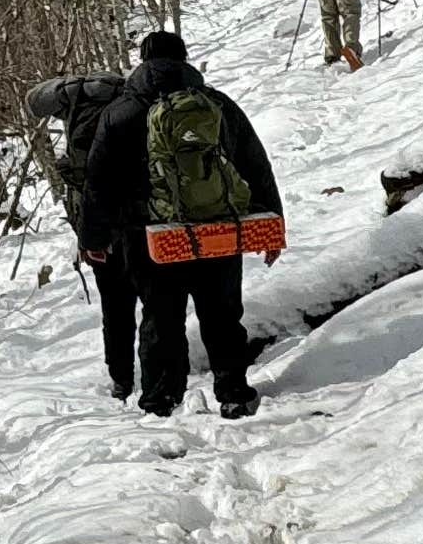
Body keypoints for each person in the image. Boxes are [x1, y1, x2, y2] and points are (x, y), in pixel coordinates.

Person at [82, 28, 284, 418]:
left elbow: (99, 180)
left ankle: (161, 401)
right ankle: (234, 393)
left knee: (161, 317)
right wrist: (273, 224)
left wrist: (96, 236)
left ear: (141, 62)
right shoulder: (217, 105)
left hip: (150, 237)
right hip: (217, 230)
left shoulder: (120, 112)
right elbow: (256, 165)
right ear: (185, 59)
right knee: (223, 314)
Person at [24, 67, 139, 397]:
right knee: (155, 302)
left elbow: (32, 102)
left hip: (94, 225)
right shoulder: (132, 100)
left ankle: (121, 378)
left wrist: (67, 88)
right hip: (136, 221)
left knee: (115, 307)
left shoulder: (72, 101)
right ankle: (162, 370)